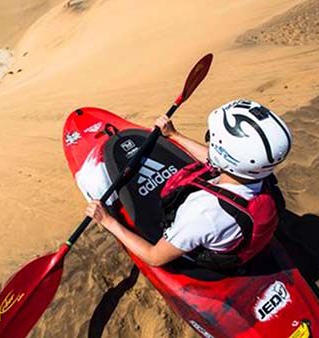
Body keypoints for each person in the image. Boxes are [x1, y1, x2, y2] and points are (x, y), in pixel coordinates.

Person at [85, 99, 292, 269]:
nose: (210, 142)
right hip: (240, 232)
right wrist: (175, 135)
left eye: (212, 138)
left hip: (210, 253)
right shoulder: (259, 174)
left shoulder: (203, 213)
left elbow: (154, 257)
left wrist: (107, 221)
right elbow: (217, 161)